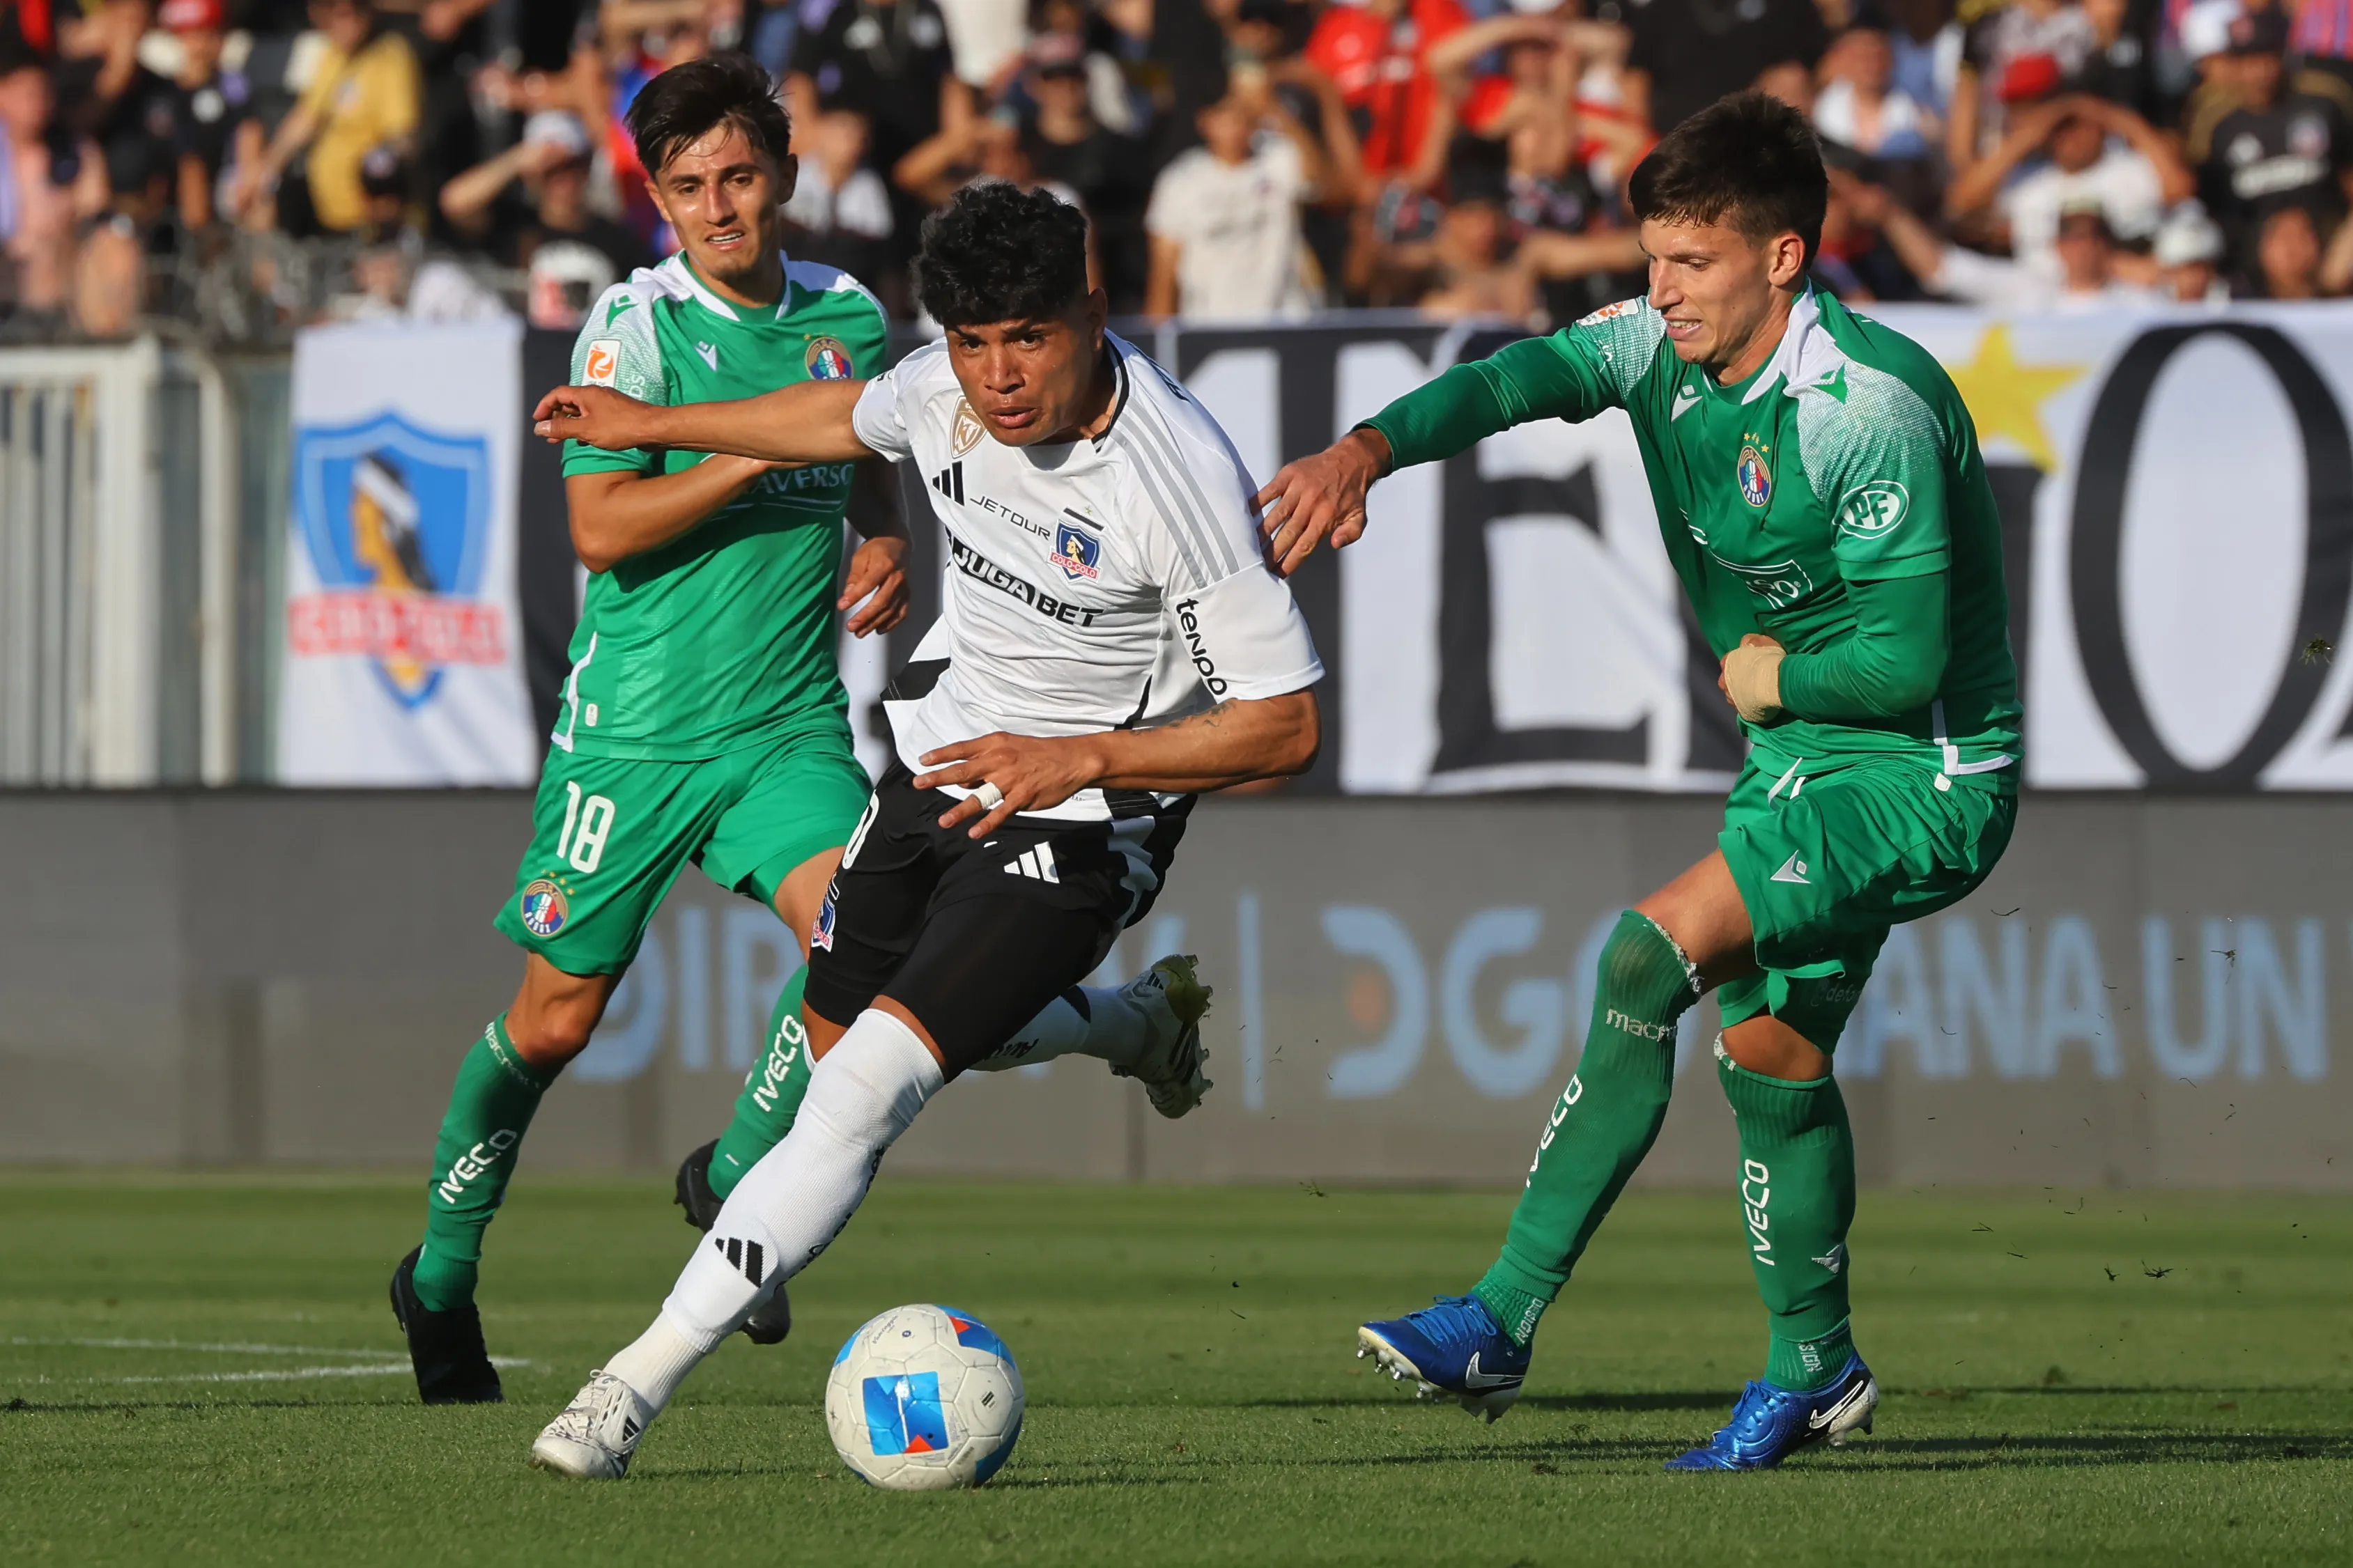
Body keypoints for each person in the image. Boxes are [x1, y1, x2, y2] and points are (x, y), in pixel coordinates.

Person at [387, 60, 1218, 1408]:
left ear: (780, 170)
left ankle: (733, 1184)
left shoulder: (841, 309)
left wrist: (878, 526)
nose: (717, 207)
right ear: (653, 197)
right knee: (553, 1023)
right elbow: (601, 529)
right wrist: (765, 455)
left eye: (737, 176)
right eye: (686, 187)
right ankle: (437, 1273)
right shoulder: (636, 325)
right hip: (636, 739)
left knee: (872, 959)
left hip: (785, 725)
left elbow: (880, 443)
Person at [1258, 91, 2020, 1470]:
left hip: (1922, 776)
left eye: (1691, 262)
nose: (1656, 290)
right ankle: (1815, 1367)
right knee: (1768, 1055)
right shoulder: (1650, 350)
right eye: (1649, 258)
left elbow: (1904, 663)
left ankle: (1498, 1315)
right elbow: (1502, 385)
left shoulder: (1869, 406)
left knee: (1641, 954)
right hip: (1794, 768)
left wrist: (1769, 681)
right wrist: (1361, 448)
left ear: (1781, 259)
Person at [522, 180, 1324, 1477]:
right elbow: (836, 416)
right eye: (971, 343)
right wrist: (650, 420)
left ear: (1093, 312)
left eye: (1028, 338)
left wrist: (1082, 756)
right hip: (938, 773)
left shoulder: (1175, 476)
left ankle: (627, 1388)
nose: (998, 379)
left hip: (1080, 822)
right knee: (848, 1033)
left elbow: (1284, 726)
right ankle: (1133, 1025)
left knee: (856, 1091)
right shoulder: (940, 389)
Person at [1143, 79, 1326, 321]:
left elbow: (1319, 179)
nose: (1237, 126)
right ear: (1205, 121)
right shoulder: (1180, 181)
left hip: (1284, 321)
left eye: (1243, 115)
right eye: (1226, 116)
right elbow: (1164, 275)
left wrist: (1273, 106)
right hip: (1211, 326)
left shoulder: (1277, 158)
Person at [234, 0, 419, 234]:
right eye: (335, 12)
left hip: (371, 221)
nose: (344, 21)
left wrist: (382, 189)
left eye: (352, 12)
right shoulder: (334, 55)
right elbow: (305, 120)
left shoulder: (390, 56)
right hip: (324, 217)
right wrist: (263, 172)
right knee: (261, 205)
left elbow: (401, 139)